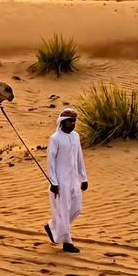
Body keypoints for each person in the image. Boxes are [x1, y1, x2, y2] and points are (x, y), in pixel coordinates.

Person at [44, 108, 88, 254]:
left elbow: (79, 158)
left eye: (74, 121)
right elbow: (50, 162)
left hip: (74, 179)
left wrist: (83, 178)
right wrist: (53, 182)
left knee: (76, 208)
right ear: (62, 122)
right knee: (63, 210)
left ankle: (52, 226)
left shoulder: (75, 137)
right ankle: (67, 243)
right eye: (70, 121)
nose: (73, 123)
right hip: (60, 181)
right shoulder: (55, 138)